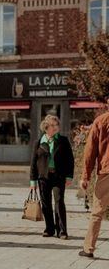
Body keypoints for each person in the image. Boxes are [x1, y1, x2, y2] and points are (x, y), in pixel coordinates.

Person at [29, 115, 74, 239]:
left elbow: (70, 160)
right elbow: (33, 162)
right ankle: (49, 229)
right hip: (43, 177)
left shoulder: (63, 140)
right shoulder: (39, 142)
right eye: (53, 125)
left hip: (59, 176)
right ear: (46, 127)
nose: (55, 127)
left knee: (59, 202)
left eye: (57, 125)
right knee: (46, 204)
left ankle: (62, 230)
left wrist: (69, 176)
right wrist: (32, 180)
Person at [79, 109, 109, 258]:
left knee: (97, 212)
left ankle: (88, 248)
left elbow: (90, 152)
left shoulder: (101, 121)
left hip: (106, 173)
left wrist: (85, 176)